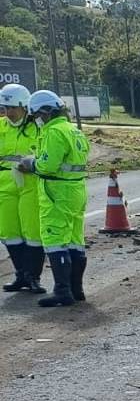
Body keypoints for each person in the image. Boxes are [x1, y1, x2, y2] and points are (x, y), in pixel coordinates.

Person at [18, 90, 89, 307]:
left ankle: (62, 291)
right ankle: (77, 289)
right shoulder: (73, 129)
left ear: (45, 112)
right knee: (76, 241)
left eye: (36, 115)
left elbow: (48, 165)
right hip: (76, 189)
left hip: (56, 192)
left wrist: (31, 164)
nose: (36, 120)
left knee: (55, 240)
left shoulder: (53, 132)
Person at [0, 84, 44, 294]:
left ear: (25, 107)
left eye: (12, 108)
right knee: (10, 232)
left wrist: (32, 165)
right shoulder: (2, 127)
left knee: (33, 233)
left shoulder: (38, 127)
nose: (8, 113)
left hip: (30, 184)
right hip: (5, 186)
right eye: (5, 108)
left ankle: (33, 277)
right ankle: (21, 275)